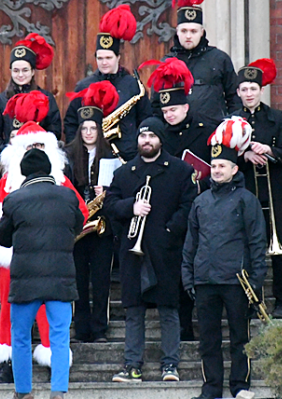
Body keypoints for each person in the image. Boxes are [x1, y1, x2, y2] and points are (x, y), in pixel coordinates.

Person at [0, 92, 89, 383]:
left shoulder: (61, 180)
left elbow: (81, 213)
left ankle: (50, 361)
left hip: (50, 256)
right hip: (16, 258)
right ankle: (11, 364)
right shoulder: (7, 180)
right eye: (32, 146)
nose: (36, 151)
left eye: (41, 146)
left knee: (49, 317)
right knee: (9, 313)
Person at [104, 117, 196, 383]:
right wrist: (130, 207)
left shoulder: (179, 170)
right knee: (133, 311)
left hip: (165, 251)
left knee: (169, 309)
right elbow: (110, 206)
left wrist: (169, 232)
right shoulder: (124, 172)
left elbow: (188, 206)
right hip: (132, 254)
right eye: (143, 137)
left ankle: (170, 365)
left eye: (152, 137)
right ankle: (132, 365)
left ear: (160, 139)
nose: (146, 141)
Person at [183, 117, 267, 399]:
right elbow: (190, 244)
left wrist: (256, 280)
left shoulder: (247, 200)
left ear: (234, 169)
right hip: (205, 280)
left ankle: (240, 386)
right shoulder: (199, 202)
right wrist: (188, 277)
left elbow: (257, 242)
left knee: (240, 339)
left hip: (237, 282)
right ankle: (211, 389)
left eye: (222, 167)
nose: (217, 171)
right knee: (208, 340)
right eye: (214, 166)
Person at [0, 148, 85, 399]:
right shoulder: (67, 196)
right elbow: (77, 225)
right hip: (61, 277)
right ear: (48, 170)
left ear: (23, 172)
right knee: (59, 337)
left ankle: (24, 392)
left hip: (25, 281)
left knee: (21, 338)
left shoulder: (14, 199)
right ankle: (58, 392)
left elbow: (3, 239)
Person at [140, 57, 215, 341]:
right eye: (165, 110)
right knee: (171, 271)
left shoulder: (206, 131)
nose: (169, 114)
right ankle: (178, 327)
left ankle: (194, 323)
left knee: (195, 268)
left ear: (186, 106)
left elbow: (216, 167)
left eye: (174, 109)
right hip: (167, 213)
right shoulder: (158, 135)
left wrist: (200, 184)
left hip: (198, 208)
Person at [231, 58, 282, 320]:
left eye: (253, 89)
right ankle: (250, 299)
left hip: (274, 192)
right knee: (247, 248)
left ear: (261, 90)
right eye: (244, 89)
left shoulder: (277, 117)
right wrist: (244, 155)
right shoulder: (231, 120)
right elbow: (221, 155)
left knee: (281, 250)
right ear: (238, 92)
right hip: (244, 193)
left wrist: (269, 149)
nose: (249, 94)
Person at [64, 80, 120, 343]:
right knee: (78, 280)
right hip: (77, 227)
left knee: (101, 281)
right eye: (84, 128)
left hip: (101, 227)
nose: (88, 132)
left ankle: (99, 329)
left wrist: (105, 194)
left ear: (100, 130)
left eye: (93, 128)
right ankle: (80, 327)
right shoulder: (67, 155)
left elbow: (121, 192)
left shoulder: (112, 154)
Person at [64, 5, 150, 161]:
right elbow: (71, 122)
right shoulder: (84, 86)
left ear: (118, 57)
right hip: (92, 157)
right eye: (100, 58)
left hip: (128, 156)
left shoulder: (133, 86)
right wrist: (76, 151)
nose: (103, 63)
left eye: (108, 58)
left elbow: (146, 118)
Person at [162, 0, 240, 123]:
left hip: (214, 131)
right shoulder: (167, 62)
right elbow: (157, 103)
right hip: (178, 135)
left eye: (193, 31)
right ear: (177, 32)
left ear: (202, 32)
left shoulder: (219, 58)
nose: (188, 36)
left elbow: (234, 98)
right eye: (184, 31)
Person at [0, 33, 62, 156]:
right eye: (16, 71)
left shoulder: (46, 98)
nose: (20, 75)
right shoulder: (1, 100)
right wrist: (6, 152)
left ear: (33, 71)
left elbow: (55, 131)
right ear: (10, 71)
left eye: (25, 70)